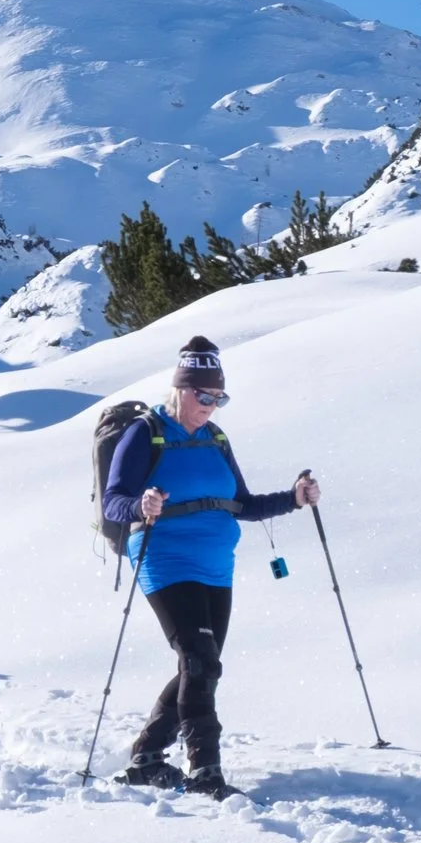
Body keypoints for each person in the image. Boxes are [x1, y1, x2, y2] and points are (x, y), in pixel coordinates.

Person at [98, 335, 318, 797]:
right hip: (163, 556)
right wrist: (141, 504)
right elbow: (114, 502)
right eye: (205, 396)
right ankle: (205, 772)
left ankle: (147, 756)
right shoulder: (146, 432)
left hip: (216, 563)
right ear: (181, 388)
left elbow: (243, 504)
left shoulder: (216, 439)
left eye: (220, 398)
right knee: (199, 660)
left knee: (203, 664)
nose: (212, 406)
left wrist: (294, 499)